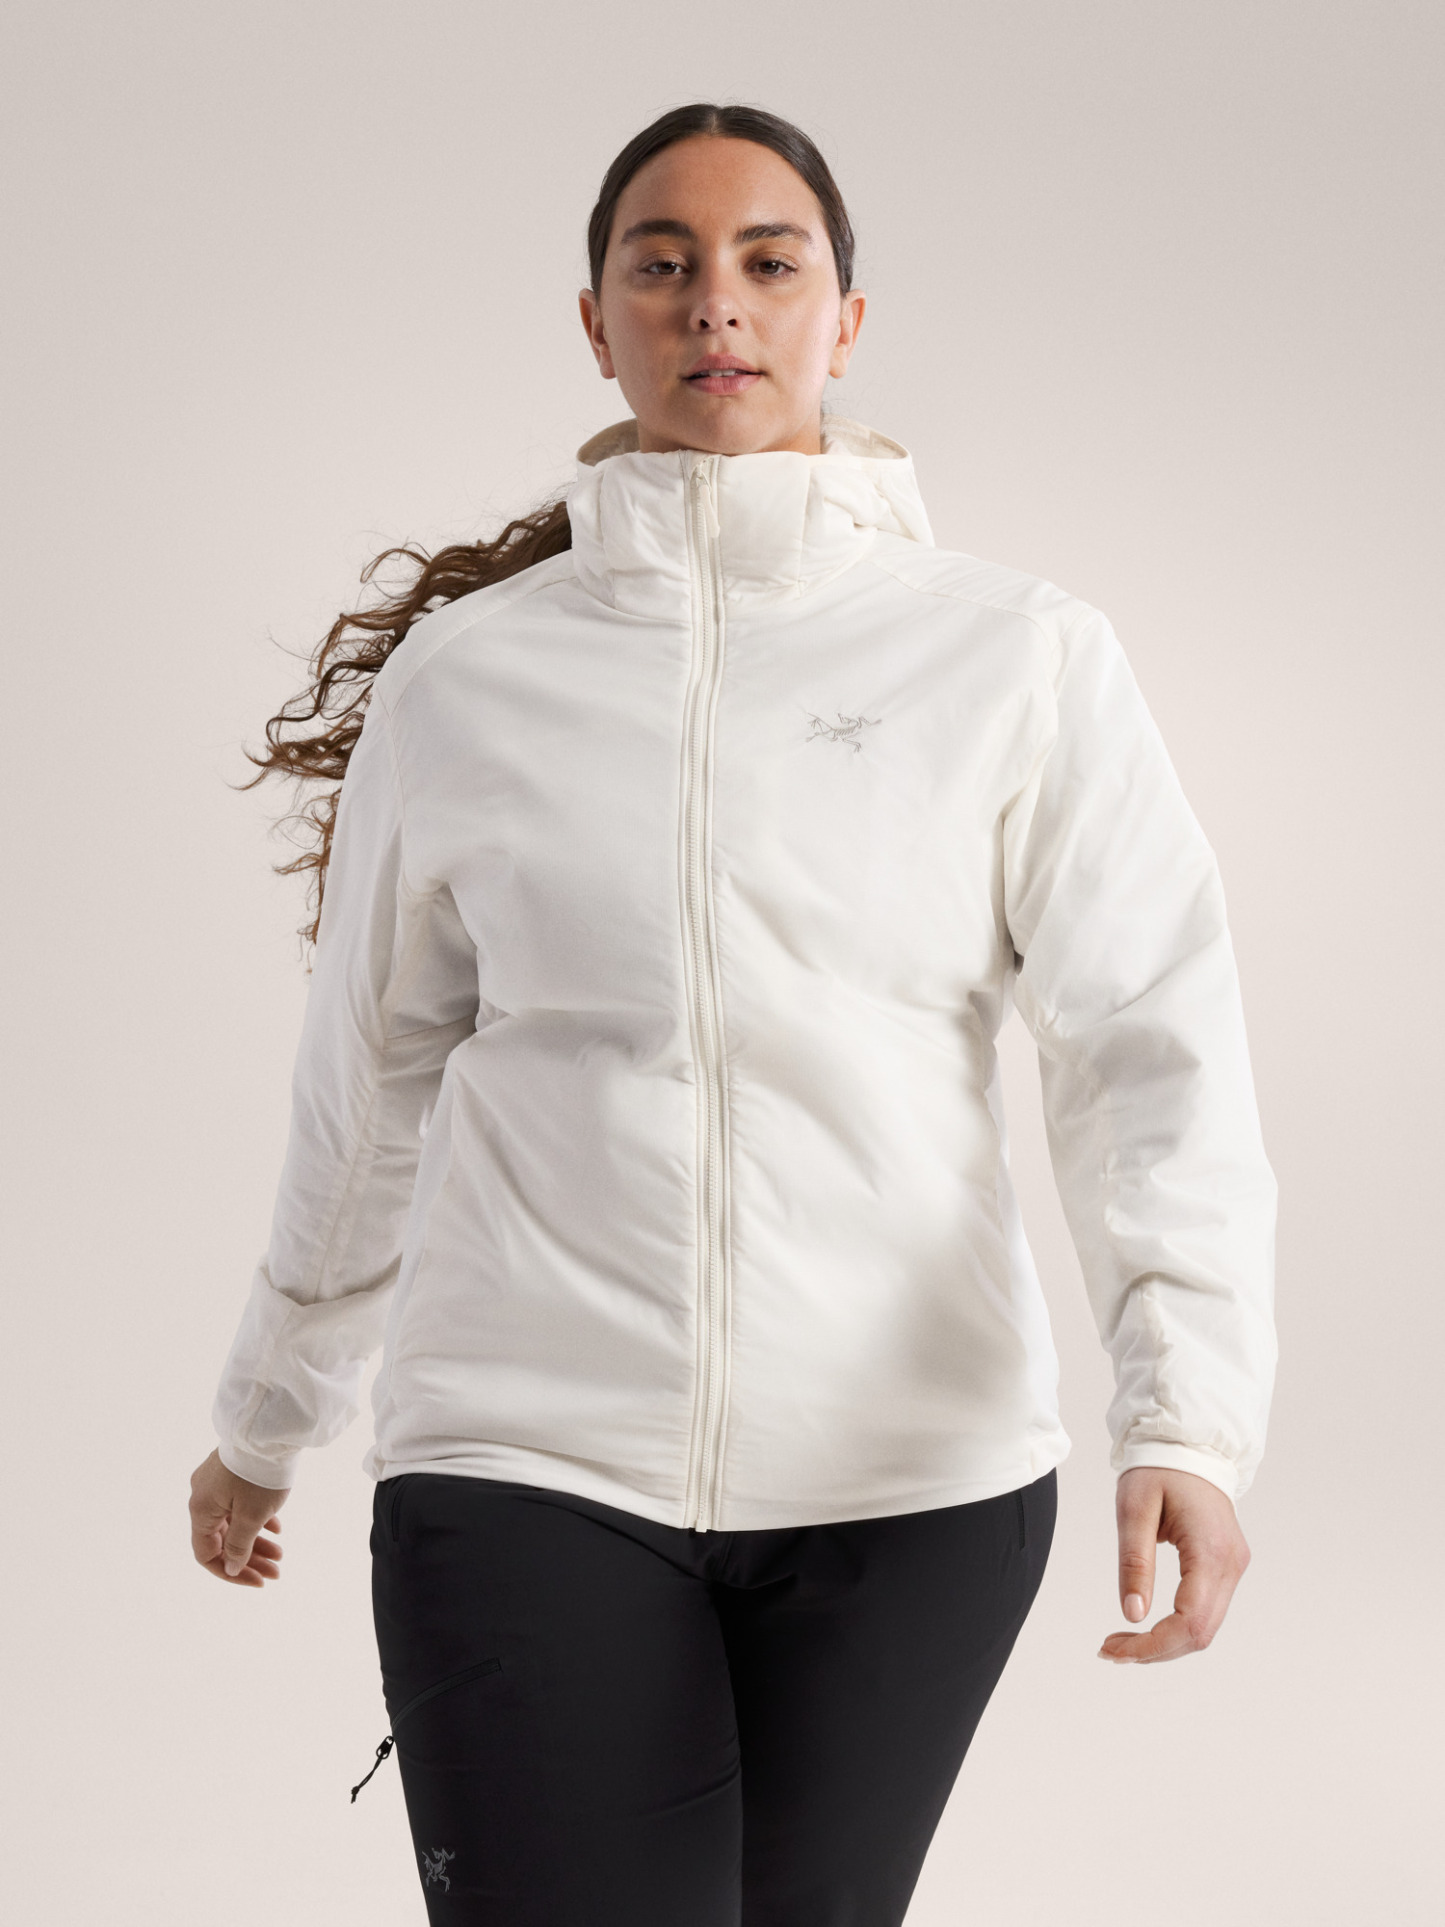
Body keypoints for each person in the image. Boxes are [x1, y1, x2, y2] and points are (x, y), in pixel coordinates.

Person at [188, 103, 1277, 1926]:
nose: (716, 302)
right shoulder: (471, 677)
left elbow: (1148, 1054)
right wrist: (266, 1411)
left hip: (908, 1478)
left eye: (770, 262)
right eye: (662, 263)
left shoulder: (1012, 655)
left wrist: (1187, 1420)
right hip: (525, 1451)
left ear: (842, 318)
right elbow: (366, 1084)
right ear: (595, 321)